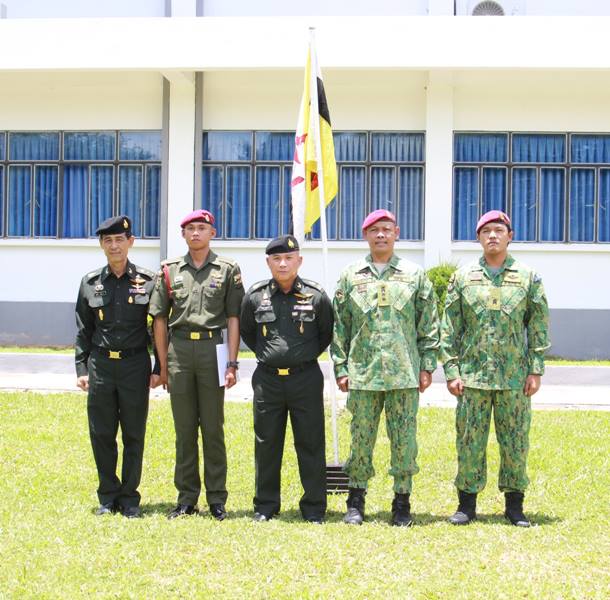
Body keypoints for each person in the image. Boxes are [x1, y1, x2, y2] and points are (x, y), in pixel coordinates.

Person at [440, 210, 550, 527]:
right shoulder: (463, 278)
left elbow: (538, 325)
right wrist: (452, 371)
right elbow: (450, 327)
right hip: (472, 378)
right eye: (486, 231)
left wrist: (535, 369)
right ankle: (466, 505)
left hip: (514, 378)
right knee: (469, 442)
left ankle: (515, 506)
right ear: (478, 238)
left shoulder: (528, 277)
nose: (492, 235)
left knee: (515, 443)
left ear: (510, 236)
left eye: (499, 230)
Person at [331, 209, 439, 526]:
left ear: (396, 233)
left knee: (404, 440)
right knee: (360, 439)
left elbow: (428, 323)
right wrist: (341, 367)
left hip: (403, 373)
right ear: (365, 235)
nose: (381, 234)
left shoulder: (414, 275)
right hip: (363, 374)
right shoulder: (351, 275)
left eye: (387, 229)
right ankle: (356, 500)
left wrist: (427, 365)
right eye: (375, 230)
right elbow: (340, 326)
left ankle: (402, 502)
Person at [149, 209, 244, 521]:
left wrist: (232, 363)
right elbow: (159, 319)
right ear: (183, 234)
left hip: (213, 348)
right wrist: (163, 365)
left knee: (213, 428)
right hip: (179, 350)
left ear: (212, 233)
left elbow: (234, 318)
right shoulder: (169, 270)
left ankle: (217, 498)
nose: (196, 233)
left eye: (202, 228)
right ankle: (186, 498)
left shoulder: (227, 269)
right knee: (184, 428)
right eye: (190, 229)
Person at [240, 235, 333, 523]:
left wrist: (299, 358)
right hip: (267, 381)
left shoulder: (316, 296)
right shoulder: (255, 296)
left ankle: (314, 507)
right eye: (276, 259)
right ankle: (266, 506)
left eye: (289, 258)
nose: (283, 264)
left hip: (305, 378)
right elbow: (248, 333)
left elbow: (325, 334)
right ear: (268, 262)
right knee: (266, 443)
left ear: (299, 261)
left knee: (311, 442)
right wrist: (273, 356)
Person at [75, 215, 159, 519]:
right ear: (101, 245)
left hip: (135, 364)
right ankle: (108, 496)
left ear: (130, 242)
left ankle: (130, 497)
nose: (114, 246)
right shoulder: (90, 283)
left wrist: (159, 367)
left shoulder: (149, 281)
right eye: (108, 241)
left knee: (134, 433)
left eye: (119, 240)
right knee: (102, 433)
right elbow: (83, 329)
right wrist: (81, 369)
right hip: (100, 365)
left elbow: (159, 327)